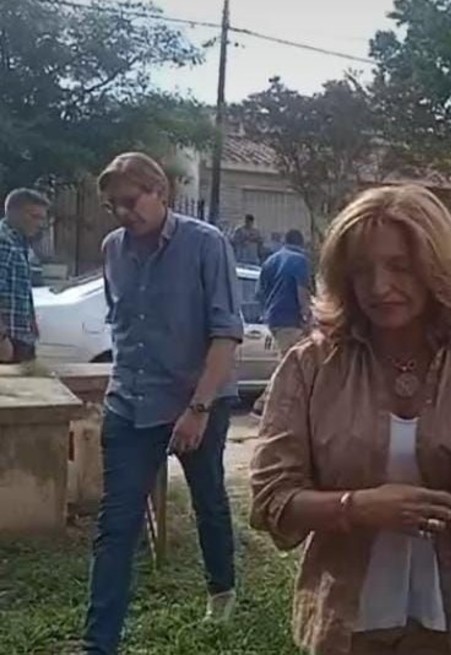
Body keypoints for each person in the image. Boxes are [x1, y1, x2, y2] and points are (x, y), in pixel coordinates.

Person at [249, 184, 451, 655]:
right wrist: (356, 507)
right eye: (361, 270)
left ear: (435, 267)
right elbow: (272, 500)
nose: (378, 287)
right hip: (350, 627)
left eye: (400, 267)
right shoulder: (312, 366)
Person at [83, 152, 243, 654]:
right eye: (113, 205)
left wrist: (198, 409)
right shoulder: (113, 249)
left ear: (161, 192)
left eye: (131, 201)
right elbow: (123, 326)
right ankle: (99, 644)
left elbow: (225, 332)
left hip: (197, 402)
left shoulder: (205, 244)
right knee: (116, 525)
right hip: (129, 405)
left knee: (208, 500)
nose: (122, 213)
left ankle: (222, 591)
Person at [251, 228, 312, 416]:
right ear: (300, 243)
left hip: (273, 319)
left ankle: (285, 404)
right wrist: (307, 317)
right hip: (290, 319)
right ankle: (264, 403)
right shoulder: (300, 260)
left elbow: (258, 294)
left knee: (290, 361)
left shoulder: (270, 261)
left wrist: (267, 312)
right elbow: (302, 291)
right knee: (290, 363)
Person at [0, 188, 49, 363]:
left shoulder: (19, 243)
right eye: (34, 216)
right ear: (13, 213)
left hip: (21, 339)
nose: (40, 224)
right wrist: (2, 340)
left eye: (42, 218)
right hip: (8, 343)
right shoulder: (3, 242)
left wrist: (31, 323)